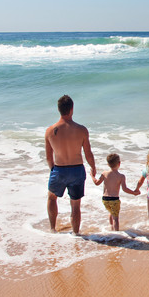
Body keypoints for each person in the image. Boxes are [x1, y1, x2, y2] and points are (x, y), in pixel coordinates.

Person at [45, 95, 97, 234]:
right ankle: (75, 233)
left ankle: (52, 229)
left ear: (58, 109)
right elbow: (88, 154)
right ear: (72, 109)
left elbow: (49, 157)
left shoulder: (50, 131)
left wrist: (53, 170)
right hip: (77, 170)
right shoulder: (81, 130)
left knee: (51, 198)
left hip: (59, 169)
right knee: (75, 204)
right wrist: (93, 167)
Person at [92, 153, 139, 232]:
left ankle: (111, 230)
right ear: (119, 163)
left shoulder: (104, 174)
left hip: (105, 199)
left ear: (108, 164)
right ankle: (116, 234)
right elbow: (124, 189)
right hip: (114, 200)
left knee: (111, 213)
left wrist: (92, 176)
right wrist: (134, 193)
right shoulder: (121, 176)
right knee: (115, 218)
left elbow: (96, 183)